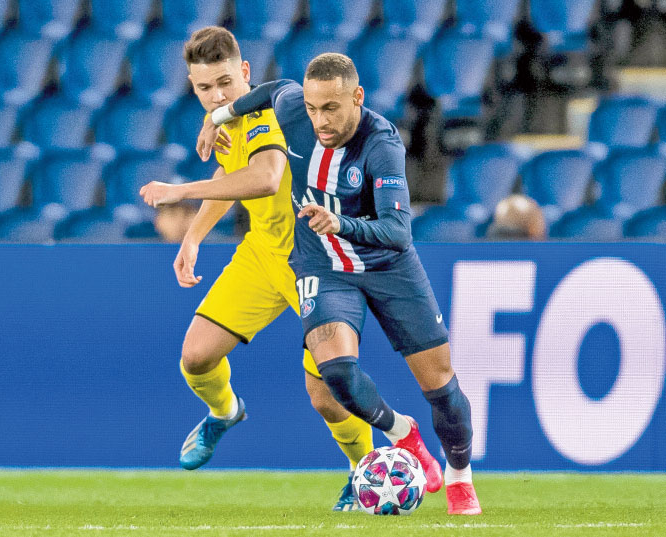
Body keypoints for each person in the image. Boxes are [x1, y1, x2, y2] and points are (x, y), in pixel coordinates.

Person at [180, 53, 482, 515]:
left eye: (331, 109)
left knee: (439, 384)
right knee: (335, 373)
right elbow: (271, 90)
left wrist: (341, 224)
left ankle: (460, 474)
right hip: (323, 264)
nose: (319, 120)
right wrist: (218, 116)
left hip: (387, 264)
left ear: (357, 98)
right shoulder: (293, 108)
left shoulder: (381, 143)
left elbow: (398, 232)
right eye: (312, 108)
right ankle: (401, 433)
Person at [139, 28, 373, 511]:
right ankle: (225, 411)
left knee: (326, 396)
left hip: (317, 259)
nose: (217, 95)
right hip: (264, 252)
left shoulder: (270, 113)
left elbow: (265, 177)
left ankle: (364, 471)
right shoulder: (225, 119)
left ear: (245, 72)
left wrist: (180, 193)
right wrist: (194, 235)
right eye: (204, 88)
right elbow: (230, 173)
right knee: (196, 357)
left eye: (225, 82)